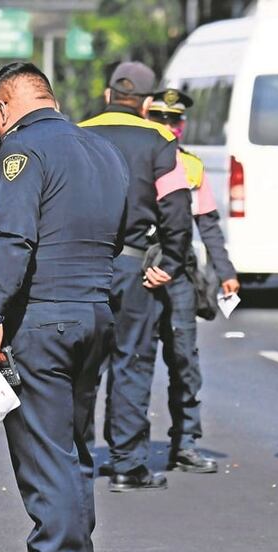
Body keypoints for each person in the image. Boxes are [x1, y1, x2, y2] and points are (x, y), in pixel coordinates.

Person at [0, 62, 128, 552]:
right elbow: (123, 232)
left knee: (44, 458)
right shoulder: (103, 152)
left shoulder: (23, 152)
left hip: (43, 320)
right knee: (73, 451)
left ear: (7, 105)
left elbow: (14, 236)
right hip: (94, 317)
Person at [79, 61, 196, 491]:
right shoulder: (161, 140)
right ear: (147, 104)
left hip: (80, 267)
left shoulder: (77, 133)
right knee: (132, 360)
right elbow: (177, 208)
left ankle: (76, 460)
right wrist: (170, 263)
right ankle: (128, 463)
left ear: (109, 95)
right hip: (134, 268)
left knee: (80, 367)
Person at [143, 88, 241, 473]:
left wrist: (226, 272)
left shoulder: (193, 168)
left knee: (184, 360)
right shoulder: (134, 160)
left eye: (174, 120)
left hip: (179, 274)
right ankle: (128, 451)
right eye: (161, 119)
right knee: (132, 361)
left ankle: (185, 442)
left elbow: (209, 227)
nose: (168, 126)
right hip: (141, 273)